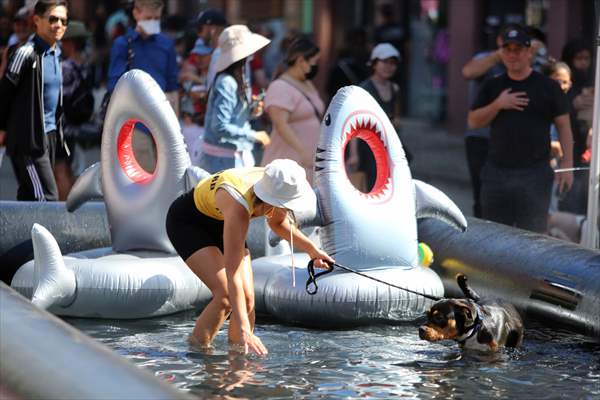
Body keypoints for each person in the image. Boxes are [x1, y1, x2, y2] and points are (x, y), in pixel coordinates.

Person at [166, 159, 334, 355]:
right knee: (225, 296)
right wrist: (245, 329)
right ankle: (197, 353)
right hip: (189, 222)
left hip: (222, 219)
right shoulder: (239, 206)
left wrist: (312, 250)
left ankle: (238, 362)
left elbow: (278, 224)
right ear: (270, 198)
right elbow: (233, 272)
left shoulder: (279, 183)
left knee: (247, 301)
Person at [468, 26, 574, 233]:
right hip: (497, 174)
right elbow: (473, 121)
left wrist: (568, 164)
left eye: (517, 49)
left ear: (529, 52)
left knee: (532, 238)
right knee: (495, 235)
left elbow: (564, 127)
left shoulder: (548, 86)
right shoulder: (493, 85)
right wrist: (498, 104)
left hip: (534, 174)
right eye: (507, 49)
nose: (512, 54)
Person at [0, 0, 69, 201]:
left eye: (64, 21)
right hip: (28, 140)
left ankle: (22, 233)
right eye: (53, 19)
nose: (59, 25)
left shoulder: (57, 53)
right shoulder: (25, 53)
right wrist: (3, 129)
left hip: (49, 136)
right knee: (46, 198)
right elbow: (4, 93)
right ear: (36, 21)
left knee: (30, 196)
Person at [106, 0, 179, 172]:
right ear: (136, 13)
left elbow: (173, 85)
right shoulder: (123, 44)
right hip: (136, 121)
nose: (153, 22)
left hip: (164, 119)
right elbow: (114, 84)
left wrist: (176, 121)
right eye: (148, 17)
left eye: (157, 18)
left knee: (166, 173)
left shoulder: (166, 44)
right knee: (145, 173)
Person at [199, 25, 271, 173]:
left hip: (234, 155)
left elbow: (234, 117)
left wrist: (252, 111)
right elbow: (219, 125)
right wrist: (253, 135)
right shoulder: (227, 82)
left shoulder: (238, 77)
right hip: (222, 161)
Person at [261, 36, 324, 186]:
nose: (316, 66)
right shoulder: (280, 86)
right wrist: (303, 152)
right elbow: (281, 125)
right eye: (314, 62)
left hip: (308, 162)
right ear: (301, 61)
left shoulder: (307, 83)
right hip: (291, 160)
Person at [461, 28, 507, 217]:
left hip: (508, 140)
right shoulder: (487, 59)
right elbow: (467, 72)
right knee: (481, 195)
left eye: (518, 47)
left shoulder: (527, 63)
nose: (512, 51)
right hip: (480, 137)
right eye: (507, 45)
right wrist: (498, 56)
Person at [346, 43, 403, 190]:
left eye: (393, 63)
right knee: (369, 189)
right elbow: (354, 123)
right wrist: (354, 154)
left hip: (387, 146)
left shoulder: (395, 89)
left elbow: (396, 117)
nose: (389, 66)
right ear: (374, 63)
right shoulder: (363, 90)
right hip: (367, 148)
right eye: (384, 62)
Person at [54, 20, 94, 200]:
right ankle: (72, 207)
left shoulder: (66, 68)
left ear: (70, 42)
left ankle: (64, 211)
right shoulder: (85, 65)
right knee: (69, 169)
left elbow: (58, 98)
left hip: (63, 127)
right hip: (76, 126)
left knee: (60, 169)